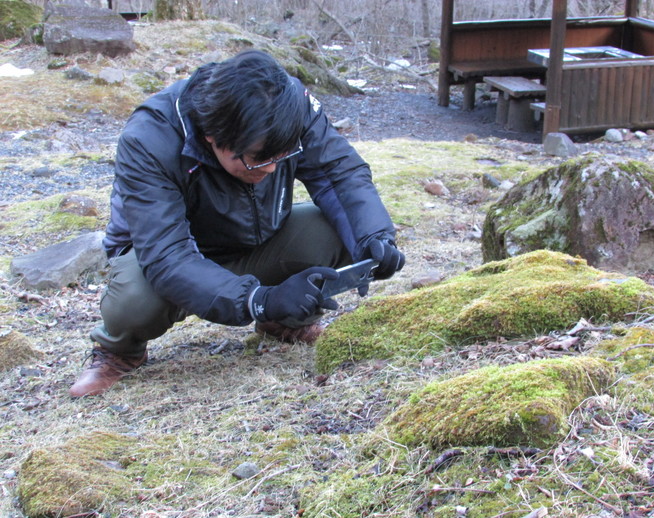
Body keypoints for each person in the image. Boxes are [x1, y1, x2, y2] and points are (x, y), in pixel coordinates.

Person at [69, 50, 404, 397]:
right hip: (165, 257)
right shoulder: (150, 137)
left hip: (258, 239)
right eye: (258, 158)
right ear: (213, 137)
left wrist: (374, 238)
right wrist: (259, 299)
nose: (272, 169)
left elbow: (339, 174)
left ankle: (285, 323)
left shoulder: (287, 105)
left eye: (283, 155)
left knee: (336, 230)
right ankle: (118, 351)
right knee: (136, 299)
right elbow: (166, 256)